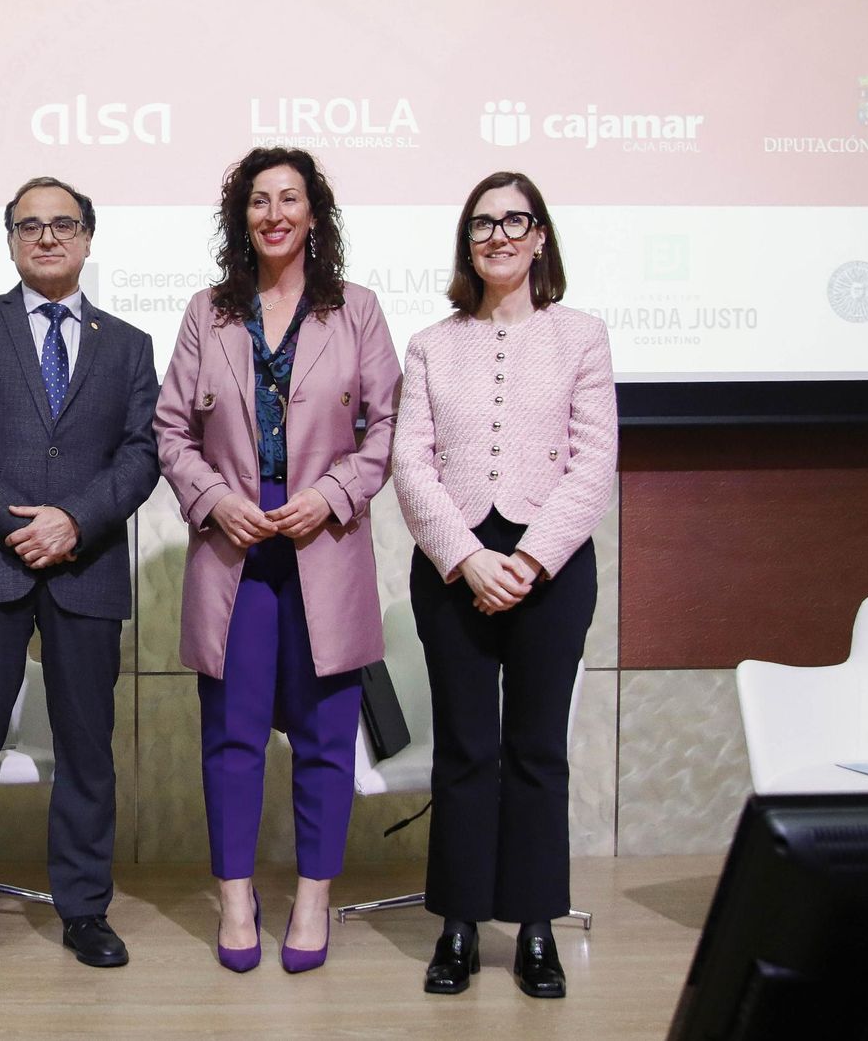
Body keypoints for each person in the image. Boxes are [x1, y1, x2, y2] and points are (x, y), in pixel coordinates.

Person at [154, 147, 400, 973]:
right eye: (259, 201)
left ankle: (313, 898)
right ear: (241, 218)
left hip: (322, 542)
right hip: (234, 546)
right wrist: (215, 500)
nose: (274, 214)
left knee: (328, 735)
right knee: (231, 735)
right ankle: (234, 895)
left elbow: (386, 429)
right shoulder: (208, 312)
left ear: (313, 214)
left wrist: (331, 495)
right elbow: (170, 431)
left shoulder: (356, 310)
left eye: (289, 199)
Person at [0, 176, 160, 974]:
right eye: (30, 226)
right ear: (11, 240)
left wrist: (75, 522)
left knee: (87, 750)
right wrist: (16, 523)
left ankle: (85, 910)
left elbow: (142, 453)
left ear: (88, 238)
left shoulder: (128, 344)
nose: (47, 237)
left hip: (85, 567)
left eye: (63, 225)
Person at [393, 171, 617, 998]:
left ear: (539, 235)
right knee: (464, 750)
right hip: (454, 569)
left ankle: (533, 929)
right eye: (482, 224)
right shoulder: (429, 343)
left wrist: (529, 559)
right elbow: (410, 465)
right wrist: (467, 556)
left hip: (550, 570)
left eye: (513, 221)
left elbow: (595, 463)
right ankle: (455, 925)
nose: (497, 235)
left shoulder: (582, 336)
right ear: (468, 240)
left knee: (535, 751)